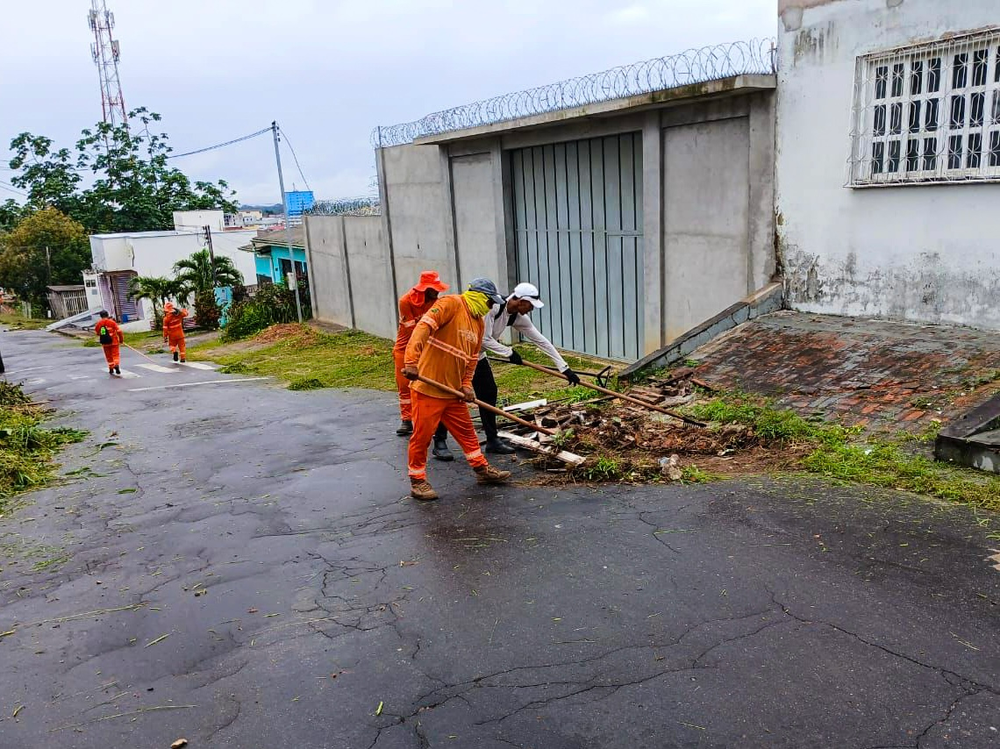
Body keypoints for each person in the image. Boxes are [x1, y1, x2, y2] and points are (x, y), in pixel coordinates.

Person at [402, 278, 511, 501]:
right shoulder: (451, 304)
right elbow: (422, 328)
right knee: (421, 437)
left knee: (468, 434)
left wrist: (465, 385)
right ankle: (418, 481)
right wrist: (411, 361)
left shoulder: (479, 324)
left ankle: (482, 470)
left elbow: (472, 360)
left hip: (452, 392)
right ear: (480, 296)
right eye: (490, 303)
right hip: (428, 387)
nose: (491, 308)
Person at [476, 282, 581, 454]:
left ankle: (492, 440)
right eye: (530, 305)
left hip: (478, 357)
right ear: (520, 300)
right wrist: (509, 352)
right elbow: (484, 339)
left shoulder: (517, 317)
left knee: (488, 394)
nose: (531, 309)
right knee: (449, 397)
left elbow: (541, 341)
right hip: (460, 354)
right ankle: (440, 440)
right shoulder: (493, 307)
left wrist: (564, 368)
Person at [393, 271, 454, 462]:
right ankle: (406, 419)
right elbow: (414, 330)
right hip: (405, 347)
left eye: (438, 290)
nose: (437, 294)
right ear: (425, 289)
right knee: (404, 385)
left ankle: (426, 423)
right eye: (434, 290)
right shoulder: (406, 301)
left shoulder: (437, 302)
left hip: (427, 348)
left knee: (425, 389)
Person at [94, 310, 124, 376]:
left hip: (105, 343)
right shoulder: (112, 322)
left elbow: (97, 333)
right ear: (107, 315)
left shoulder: (98, 323)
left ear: (100, 316)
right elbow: (119, 331)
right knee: (115, 355)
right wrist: (121, 340)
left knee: (108, 356)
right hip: (114, 342)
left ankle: (111, 368)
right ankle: (116, 364)